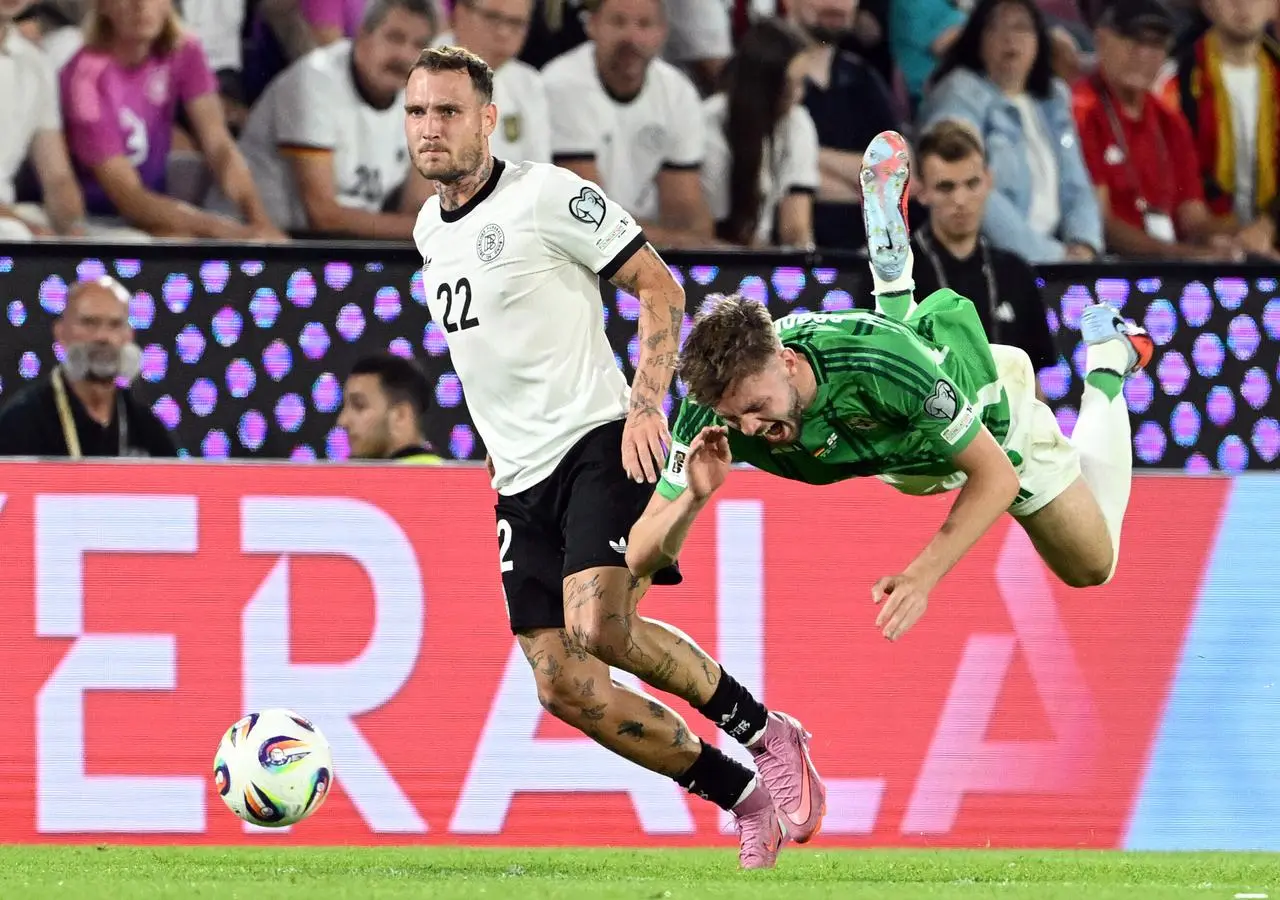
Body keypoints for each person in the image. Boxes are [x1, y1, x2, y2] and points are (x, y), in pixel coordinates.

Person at [404, 45, 824, 869]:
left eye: (449, 111)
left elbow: (659, 287)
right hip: (518, 479)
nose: (430, 129)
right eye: (418, 113)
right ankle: (742, 795)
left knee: (598, 623)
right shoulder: (428, 229)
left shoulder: (547, 195)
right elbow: (488, 353)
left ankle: (768, 732)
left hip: (597, 439)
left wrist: (644, 401)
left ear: (489, 119)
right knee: (560, 683)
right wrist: (495, 453)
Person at [626, 130, 1153, 644]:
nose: (749, 430)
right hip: (899, 449)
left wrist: (923, 576)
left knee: (1092, 567)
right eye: (735, 416)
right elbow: (641, 550)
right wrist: (692, 500)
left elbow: (994, 477)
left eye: (758, 409)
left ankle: (1108, 358)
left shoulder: (877, 362)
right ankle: (893, 285)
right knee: (893, 406)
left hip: (991, 414)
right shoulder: (712, 414)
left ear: (787, 363)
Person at [0, 277, 178, 458]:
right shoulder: (22, 421)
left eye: (115, 324)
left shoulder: (146, 427)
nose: (102, 336)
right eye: (89, 323)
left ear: (128, 336)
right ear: (61, 333)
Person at [337, 351, 444, 462]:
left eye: (359, 405)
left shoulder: (423, 477)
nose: (342, 421)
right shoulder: (446, 475)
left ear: (401, 416)